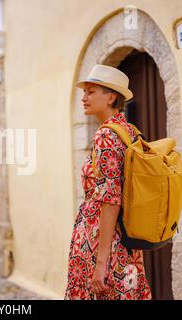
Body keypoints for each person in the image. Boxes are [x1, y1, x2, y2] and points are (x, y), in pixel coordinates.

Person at [64, 64, 152, 300]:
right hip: (126, 240)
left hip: (102, 242)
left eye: (91, 92)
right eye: (85, 92)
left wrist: (101, 262)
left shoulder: (106, 135)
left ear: (111, 96)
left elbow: (110, 199)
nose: (84, 98)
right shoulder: (129, 131)